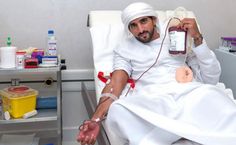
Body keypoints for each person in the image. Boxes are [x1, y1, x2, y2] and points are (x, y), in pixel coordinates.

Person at [77, 2, 236, 145]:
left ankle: (168, 132)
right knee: (118, 110)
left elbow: (211, 78)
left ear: (154, 20)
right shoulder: (124, 49)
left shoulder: (179, 38)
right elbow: (114, 85)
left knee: (211, 93)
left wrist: (197, 38)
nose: (140, 29)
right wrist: (96, 119)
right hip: (153, 101)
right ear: (129, 29)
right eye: (133, 25)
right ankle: (185, 130)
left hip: (186, 95)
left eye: (144, 21)